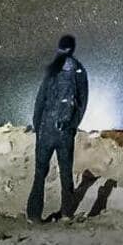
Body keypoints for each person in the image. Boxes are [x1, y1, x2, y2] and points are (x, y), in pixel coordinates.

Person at [27, 33, 89, 222]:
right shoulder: (79, 70)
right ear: (73, 48)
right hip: (65, 131)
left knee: (40, 173)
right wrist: (72, 125)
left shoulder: (52, 69)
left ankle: (34, 214)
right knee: (66, 172)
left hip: (47, 128)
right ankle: (67, 213)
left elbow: (40, 99)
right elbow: (82, 101)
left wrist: (38, 125)